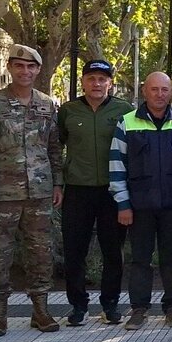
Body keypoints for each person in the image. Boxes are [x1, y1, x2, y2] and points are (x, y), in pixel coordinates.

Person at [0, 44, 63, 336]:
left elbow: (54, 148)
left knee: (41, 252)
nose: (25, 71)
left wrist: (58, 182)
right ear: (10, 68)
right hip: (1, 193)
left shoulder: (47, 104)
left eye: (31, 67)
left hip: (39, 192)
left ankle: (41, 311)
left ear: (38, 70)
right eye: (19, 66)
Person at [108, 72, 172, 330]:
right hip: (139, 206)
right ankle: (139, 309)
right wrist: (123, 203)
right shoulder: (127, 123)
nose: (159, 95)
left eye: (164, 90)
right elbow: (116, 165)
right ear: (145, 91)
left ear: (171, 92)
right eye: (154, 89)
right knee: (140, 258)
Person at [58, 59, 133, 326]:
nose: (97, 84)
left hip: (112, 192)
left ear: (110, 83)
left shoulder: (124, 111)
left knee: (112, 251)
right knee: (74, 251)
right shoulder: (68, 111)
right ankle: (78, 305)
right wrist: (58, 183)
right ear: (83, 82)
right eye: (91, 78)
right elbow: (56, 150)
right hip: (78, 190)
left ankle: (110, 304)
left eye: (102, 79)